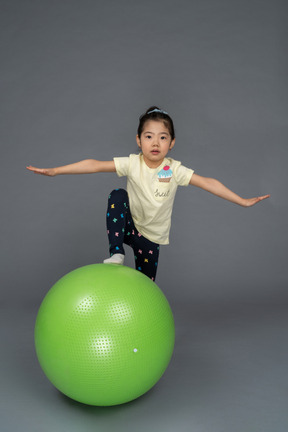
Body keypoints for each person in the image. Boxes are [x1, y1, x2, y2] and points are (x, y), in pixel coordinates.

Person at [26, 106, 270, 281]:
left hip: (151, 239)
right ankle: (117, 252)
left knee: (145, 286)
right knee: (117, 195)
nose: (155, 143)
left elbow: (207, 182)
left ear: (171, 142)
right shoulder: (133, 163)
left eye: (163, 137)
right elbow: (95, 164)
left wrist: (242, 201)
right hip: (130, 225)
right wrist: (56, 171)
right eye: (149, 136)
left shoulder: (174, 169)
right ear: (139, 140)